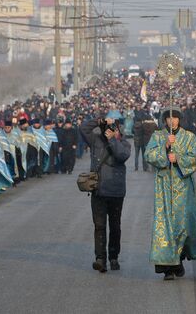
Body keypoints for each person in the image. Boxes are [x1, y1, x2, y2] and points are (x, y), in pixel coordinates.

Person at [144, 108, 196, 280]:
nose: (172, 121)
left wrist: (178, 158)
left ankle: (179, 259)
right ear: (165, 121)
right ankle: (168, 267)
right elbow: (148, 155)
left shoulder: (189, 136)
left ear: (179, 120)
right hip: (164, 186)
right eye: (169, 118)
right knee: (166, 224)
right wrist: (164, 148)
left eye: (175, 118)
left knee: (184, 223)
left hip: (184, 186)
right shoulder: (158, 136)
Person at [80, 115, 131, 273]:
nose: (109, 130)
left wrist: (112, 139)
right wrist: (99, 120)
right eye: (107, 128)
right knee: (99, 226)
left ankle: (113, 257)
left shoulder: (123, 143)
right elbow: (83, 129)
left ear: (118, 130)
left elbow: (122, 155)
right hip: (98, 190)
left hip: (116, 191)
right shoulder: (96, 140)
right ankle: (100, 258)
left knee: (115, 226)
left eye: (113, 128)